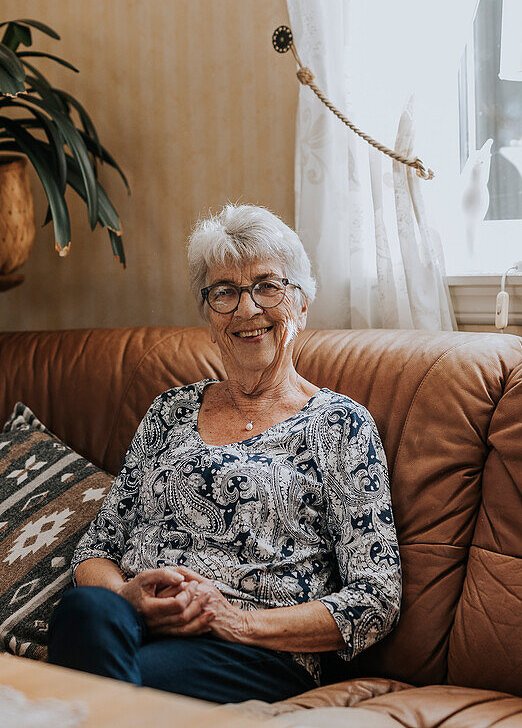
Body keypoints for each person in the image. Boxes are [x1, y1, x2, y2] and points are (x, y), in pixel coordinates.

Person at [48, 204, 401, 704]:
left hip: (251, 650)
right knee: (84, 610)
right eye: (225, 293)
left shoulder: (340, 426)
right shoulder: (170, 410)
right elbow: (97, 551)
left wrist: (235, 620)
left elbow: (376, 599)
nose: (247, 309)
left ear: (301, 306)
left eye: (267, 286)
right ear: (209, 317)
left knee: (111, 679)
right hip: (131, 626)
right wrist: (127, 598)